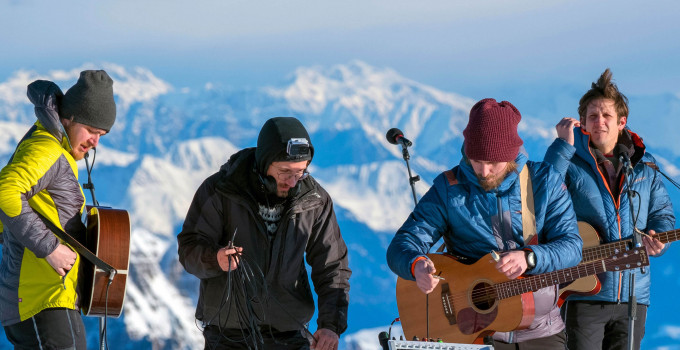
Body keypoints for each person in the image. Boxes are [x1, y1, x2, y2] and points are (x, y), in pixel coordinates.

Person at [387, 98, 583, 349]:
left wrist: (530, 257)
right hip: (477, 334)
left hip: (541, 331)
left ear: (511, 154)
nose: (484, 171)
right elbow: (402, 244)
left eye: (493, 162)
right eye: (476, 160)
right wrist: (415, 265)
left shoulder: (545, 181)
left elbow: (572, 247)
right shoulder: (448, 189)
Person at [177, 117, 351, 350]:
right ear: (264, 162)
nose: (292, 181)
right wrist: (215, 258)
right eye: (284, 171)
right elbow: (189, 248)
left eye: (301, 172)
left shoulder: (314, 200)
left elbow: (332, 266)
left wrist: (331, 324)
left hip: (290, 333)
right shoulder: (221, 190)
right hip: (228, 334)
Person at [544, 69, 675, 349]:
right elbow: (543, 198)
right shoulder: (569, 160)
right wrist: (561, 145)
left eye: (606, 116)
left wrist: (659, 240)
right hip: (583, 291)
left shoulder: (645, 165)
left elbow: (662, 214)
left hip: (633, 296)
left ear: (621, 122)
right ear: (582, 123)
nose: (599, 122)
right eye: (592, 116)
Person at [0, 70, 117, 349]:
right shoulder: (47, 149)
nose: (94, 142)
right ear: (70, 118)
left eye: (101, 134)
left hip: (47, 296)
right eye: (91, 130)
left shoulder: (58, 151)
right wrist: (50, 247)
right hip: (39, 298)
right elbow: (5, 191)